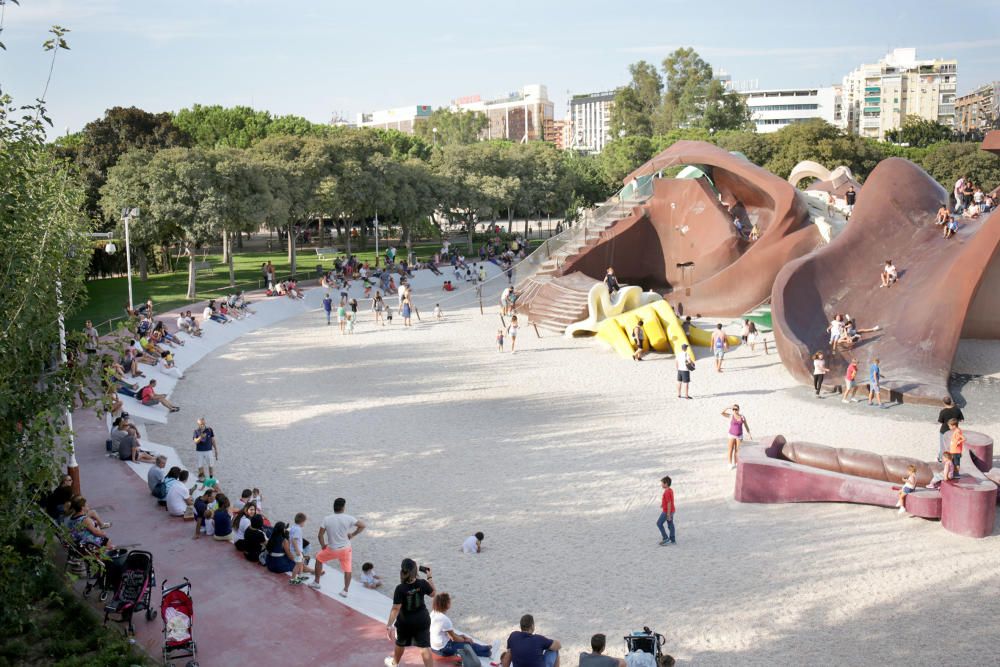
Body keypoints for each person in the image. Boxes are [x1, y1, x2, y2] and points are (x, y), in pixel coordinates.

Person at [384, 559, 436, 667]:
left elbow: (395, 609)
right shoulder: (422, 583)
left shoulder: (400, 589)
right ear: (415, 571)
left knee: (400, 643)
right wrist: (429, 577)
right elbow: (433, 593)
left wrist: (389, 625)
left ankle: (394, 663)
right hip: (422, 620)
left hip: (405, 623)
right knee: (424, 647)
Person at [313, 497, 366, 595]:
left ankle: (316, 582)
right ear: (343, 507)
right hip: (345, 549)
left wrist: (323, 545)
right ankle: (345, 591)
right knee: (348, 569)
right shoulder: (349, 518)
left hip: (332, 549)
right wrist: (353, 534)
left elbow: (320, 535)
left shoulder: (327, 519)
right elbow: (362, 525)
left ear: (334, 507)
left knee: (319, 558)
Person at [430, 592, 496, 661]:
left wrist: (462, 636)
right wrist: (465, 640)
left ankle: (485, 648)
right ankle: (488, 653)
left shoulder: (433, 613)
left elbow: (449, 634)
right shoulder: (444, 620)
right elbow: (454, 637)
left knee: (463, 639)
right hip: (443, 650)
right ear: (447, 604)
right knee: (467, 645)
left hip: (435, 648)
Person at [722, 405, 751, 469]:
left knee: (737, 451)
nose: (734, 410)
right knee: (730, 449)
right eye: (733, 409)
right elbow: (722, 413)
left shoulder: (742, 417)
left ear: (738, 409)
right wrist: (727, 408)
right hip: (731, 435)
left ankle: (736, 463)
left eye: (736, 409)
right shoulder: (731, 416)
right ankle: (730, 464)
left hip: (739, 435)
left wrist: (749, 434)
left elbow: (746, 426)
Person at [936, 397, 964, 462]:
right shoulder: (957, 409)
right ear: (950, 401)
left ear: (943, 403)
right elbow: (962, 419)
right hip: (954, 431)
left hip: (944, 431)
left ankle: (941, 459)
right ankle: (953, 458)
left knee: (943, 446)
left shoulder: (943, 411)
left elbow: (940, 421)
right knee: (952, 445)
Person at [193, 417, 217, 482]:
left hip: (209, 450)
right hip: (199, 451)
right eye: (201, 424)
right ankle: (202, 479)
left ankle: (211, 479)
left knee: (211, 465)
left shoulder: (209, 430)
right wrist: (200, 437)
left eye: (203, 424)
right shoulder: (196, 431)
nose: (202, 425)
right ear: (198, 424)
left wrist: (216, 449)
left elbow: (213, 440)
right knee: (200, 465)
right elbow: (195, 441)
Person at [656, 476, 676, 547]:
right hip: (671, 510)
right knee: (670, 524)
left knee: (659, 523)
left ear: (666, 483)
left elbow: (669, 503)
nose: (661, 485)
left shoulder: (667, 492)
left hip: (667, 511)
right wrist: (663, 504)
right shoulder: (670, 490)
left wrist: (668, 514)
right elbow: (668, 501)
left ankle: (665, 538)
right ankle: (672, 539)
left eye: (662, 483)